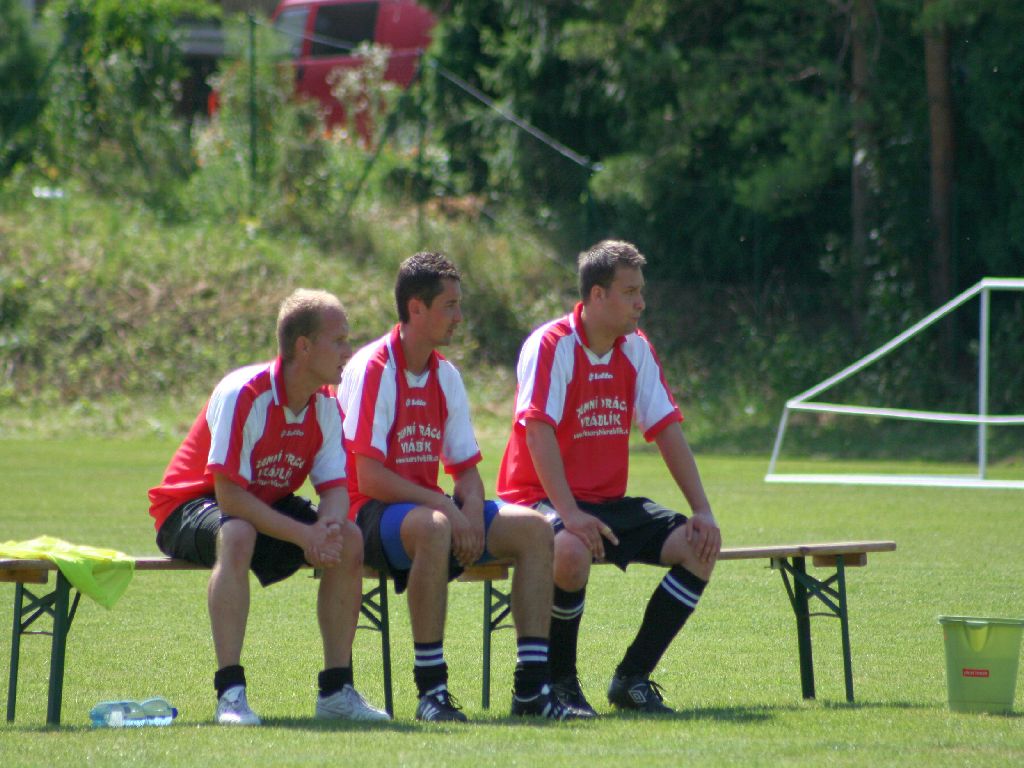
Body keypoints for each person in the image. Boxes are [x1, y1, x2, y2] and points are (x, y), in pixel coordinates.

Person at [337, 252, 583, 722]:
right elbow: (368, 477)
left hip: (427, 510)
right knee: (434, 527)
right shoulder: (374, 368)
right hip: (366, 512)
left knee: (535, 529)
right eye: (449, 305)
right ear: (416, 308)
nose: (459, 317)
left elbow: (466, 470)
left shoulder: (445, 374)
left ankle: (532, 689)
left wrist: (469, 512)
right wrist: (447, 510)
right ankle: (432, 692)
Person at [496, 239, 721, 716]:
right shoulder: (551, 344)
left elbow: (667, 430)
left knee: (699, 547)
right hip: (536, 499)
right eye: (630, 292)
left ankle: (631, 678)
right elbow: (537, 432)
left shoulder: (636, 348)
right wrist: (570, 514)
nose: (641, 303)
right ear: (597, 295)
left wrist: (702, 510)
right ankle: (561, 683)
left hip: (604, 503)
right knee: (571, 551)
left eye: (641, 292)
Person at [148, 289, 389, 725]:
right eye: (338, 340)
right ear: (304, 346)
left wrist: (328, 529)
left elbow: (335, 488)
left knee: (350, 538)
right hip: (188, 506)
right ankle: (230, 696)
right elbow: (229, 497)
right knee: (238, 532)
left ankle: (336, 692)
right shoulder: (244, 392)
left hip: (262, 506)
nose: (348, 352)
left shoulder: (325, 402)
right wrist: (305, 535)